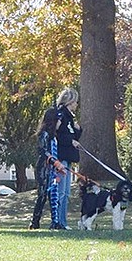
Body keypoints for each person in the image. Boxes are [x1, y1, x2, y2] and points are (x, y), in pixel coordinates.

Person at [51, 87, 82, 229]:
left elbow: (73, 136)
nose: (76, 105)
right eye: (75, 102)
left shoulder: (70, 118)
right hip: (61, 156)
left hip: (69, 156)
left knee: (67, 192)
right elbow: (58, 134)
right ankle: (58, 221)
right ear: (69, 102)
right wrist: (70, 141)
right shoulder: (60, 115)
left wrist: (77, 129)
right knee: (61, 191)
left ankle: (64, 221)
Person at [30, 106, 61, 229]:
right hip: (43, 168)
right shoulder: (44, 134)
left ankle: (55, 221)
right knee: (42, 195)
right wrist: (54, 162)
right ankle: (35, 222)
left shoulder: (53, 137)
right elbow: (43, 151)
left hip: (51, 170)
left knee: (53, 196)